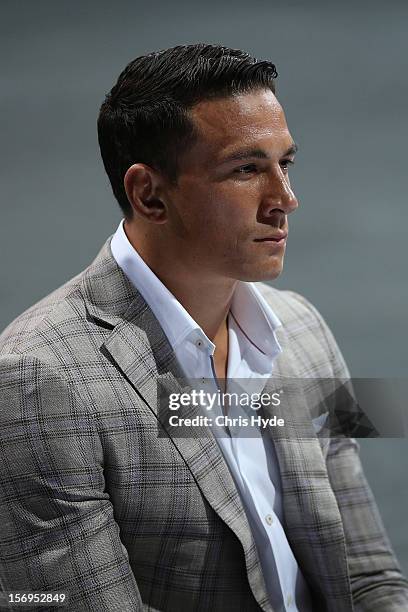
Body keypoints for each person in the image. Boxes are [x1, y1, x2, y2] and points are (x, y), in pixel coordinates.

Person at [0, 43, 407, 612]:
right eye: (245, 170)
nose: (285, 200)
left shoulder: (304, 330)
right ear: (149, 194)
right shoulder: (37, 380)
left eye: (284, 164)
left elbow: (367, 577)